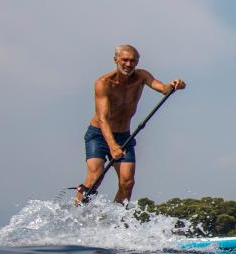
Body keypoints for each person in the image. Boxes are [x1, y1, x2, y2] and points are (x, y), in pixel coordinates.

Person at [76, 44, 185, 205]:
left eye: (133, 61)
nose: (128, 64)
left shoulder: (141, 76)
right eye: (125, 60)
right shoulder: (104, 83)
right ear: (116, 60)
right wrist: (112, 146)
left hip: (123, 136)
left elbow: (162, 88)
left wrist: (174, 84)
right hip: (98, 135)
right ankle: (76, 213)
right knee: (94, 179)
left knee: (127, 182)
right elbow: (102, 119)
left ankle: (114, 220)